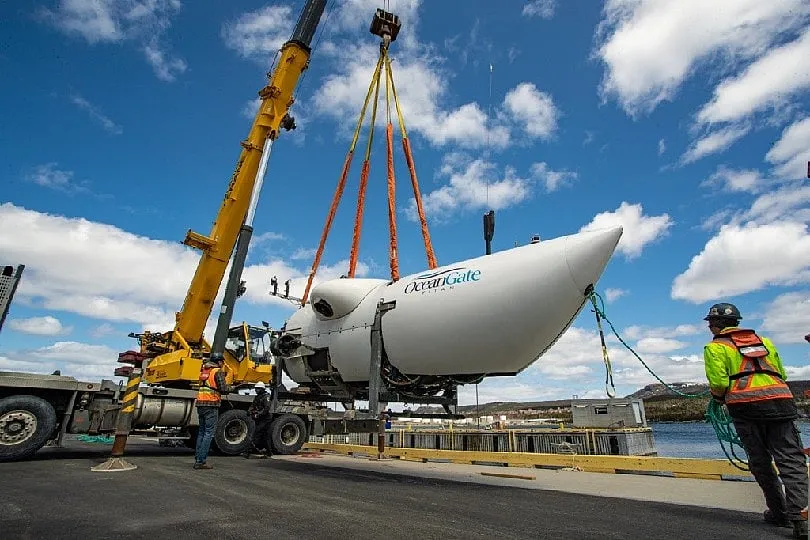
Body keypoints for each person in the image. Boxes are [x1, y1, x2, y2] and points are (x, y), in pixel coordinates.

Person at [702, 302, 808, 538]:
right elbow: (781, 373)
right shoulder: (765, 341)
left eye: (710, 323)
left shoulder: (715, 348)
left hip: (746, 409)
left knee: (760, 462)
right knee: (792, 462)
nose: (709, 327)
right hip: (781, 404)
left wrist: (718, 399)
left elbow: (719, 382)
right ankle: (801, 519)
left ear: (716, 324)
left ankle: (779, 512)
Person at [193, 353, 229, 470]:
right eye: (222, 361)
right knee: (208, 433)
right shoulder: (217, 371)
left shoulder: (204, 371)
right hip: (211, 404)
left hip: (200, 403)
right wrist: (231, 388)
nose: (223, 364)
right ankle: (201, 461)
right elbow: (223, 389)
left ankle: (198, 457)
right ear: (218, 361)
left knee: (202, 432)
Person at [245, 381, 273, 457]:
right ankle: (268, 452)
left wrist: (259, 414)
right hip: (260, 418)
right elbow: (253, 405)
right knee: (265, 435)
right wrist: (249, 411)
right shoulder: (257, 397)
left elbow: (266, 408)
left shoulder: (266, 396)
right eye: (256, 389)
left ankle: (250, 450)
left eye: (258, 389)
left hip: (266, 418)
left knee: (257, 433)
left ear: (262, 389)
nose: (256, 390)